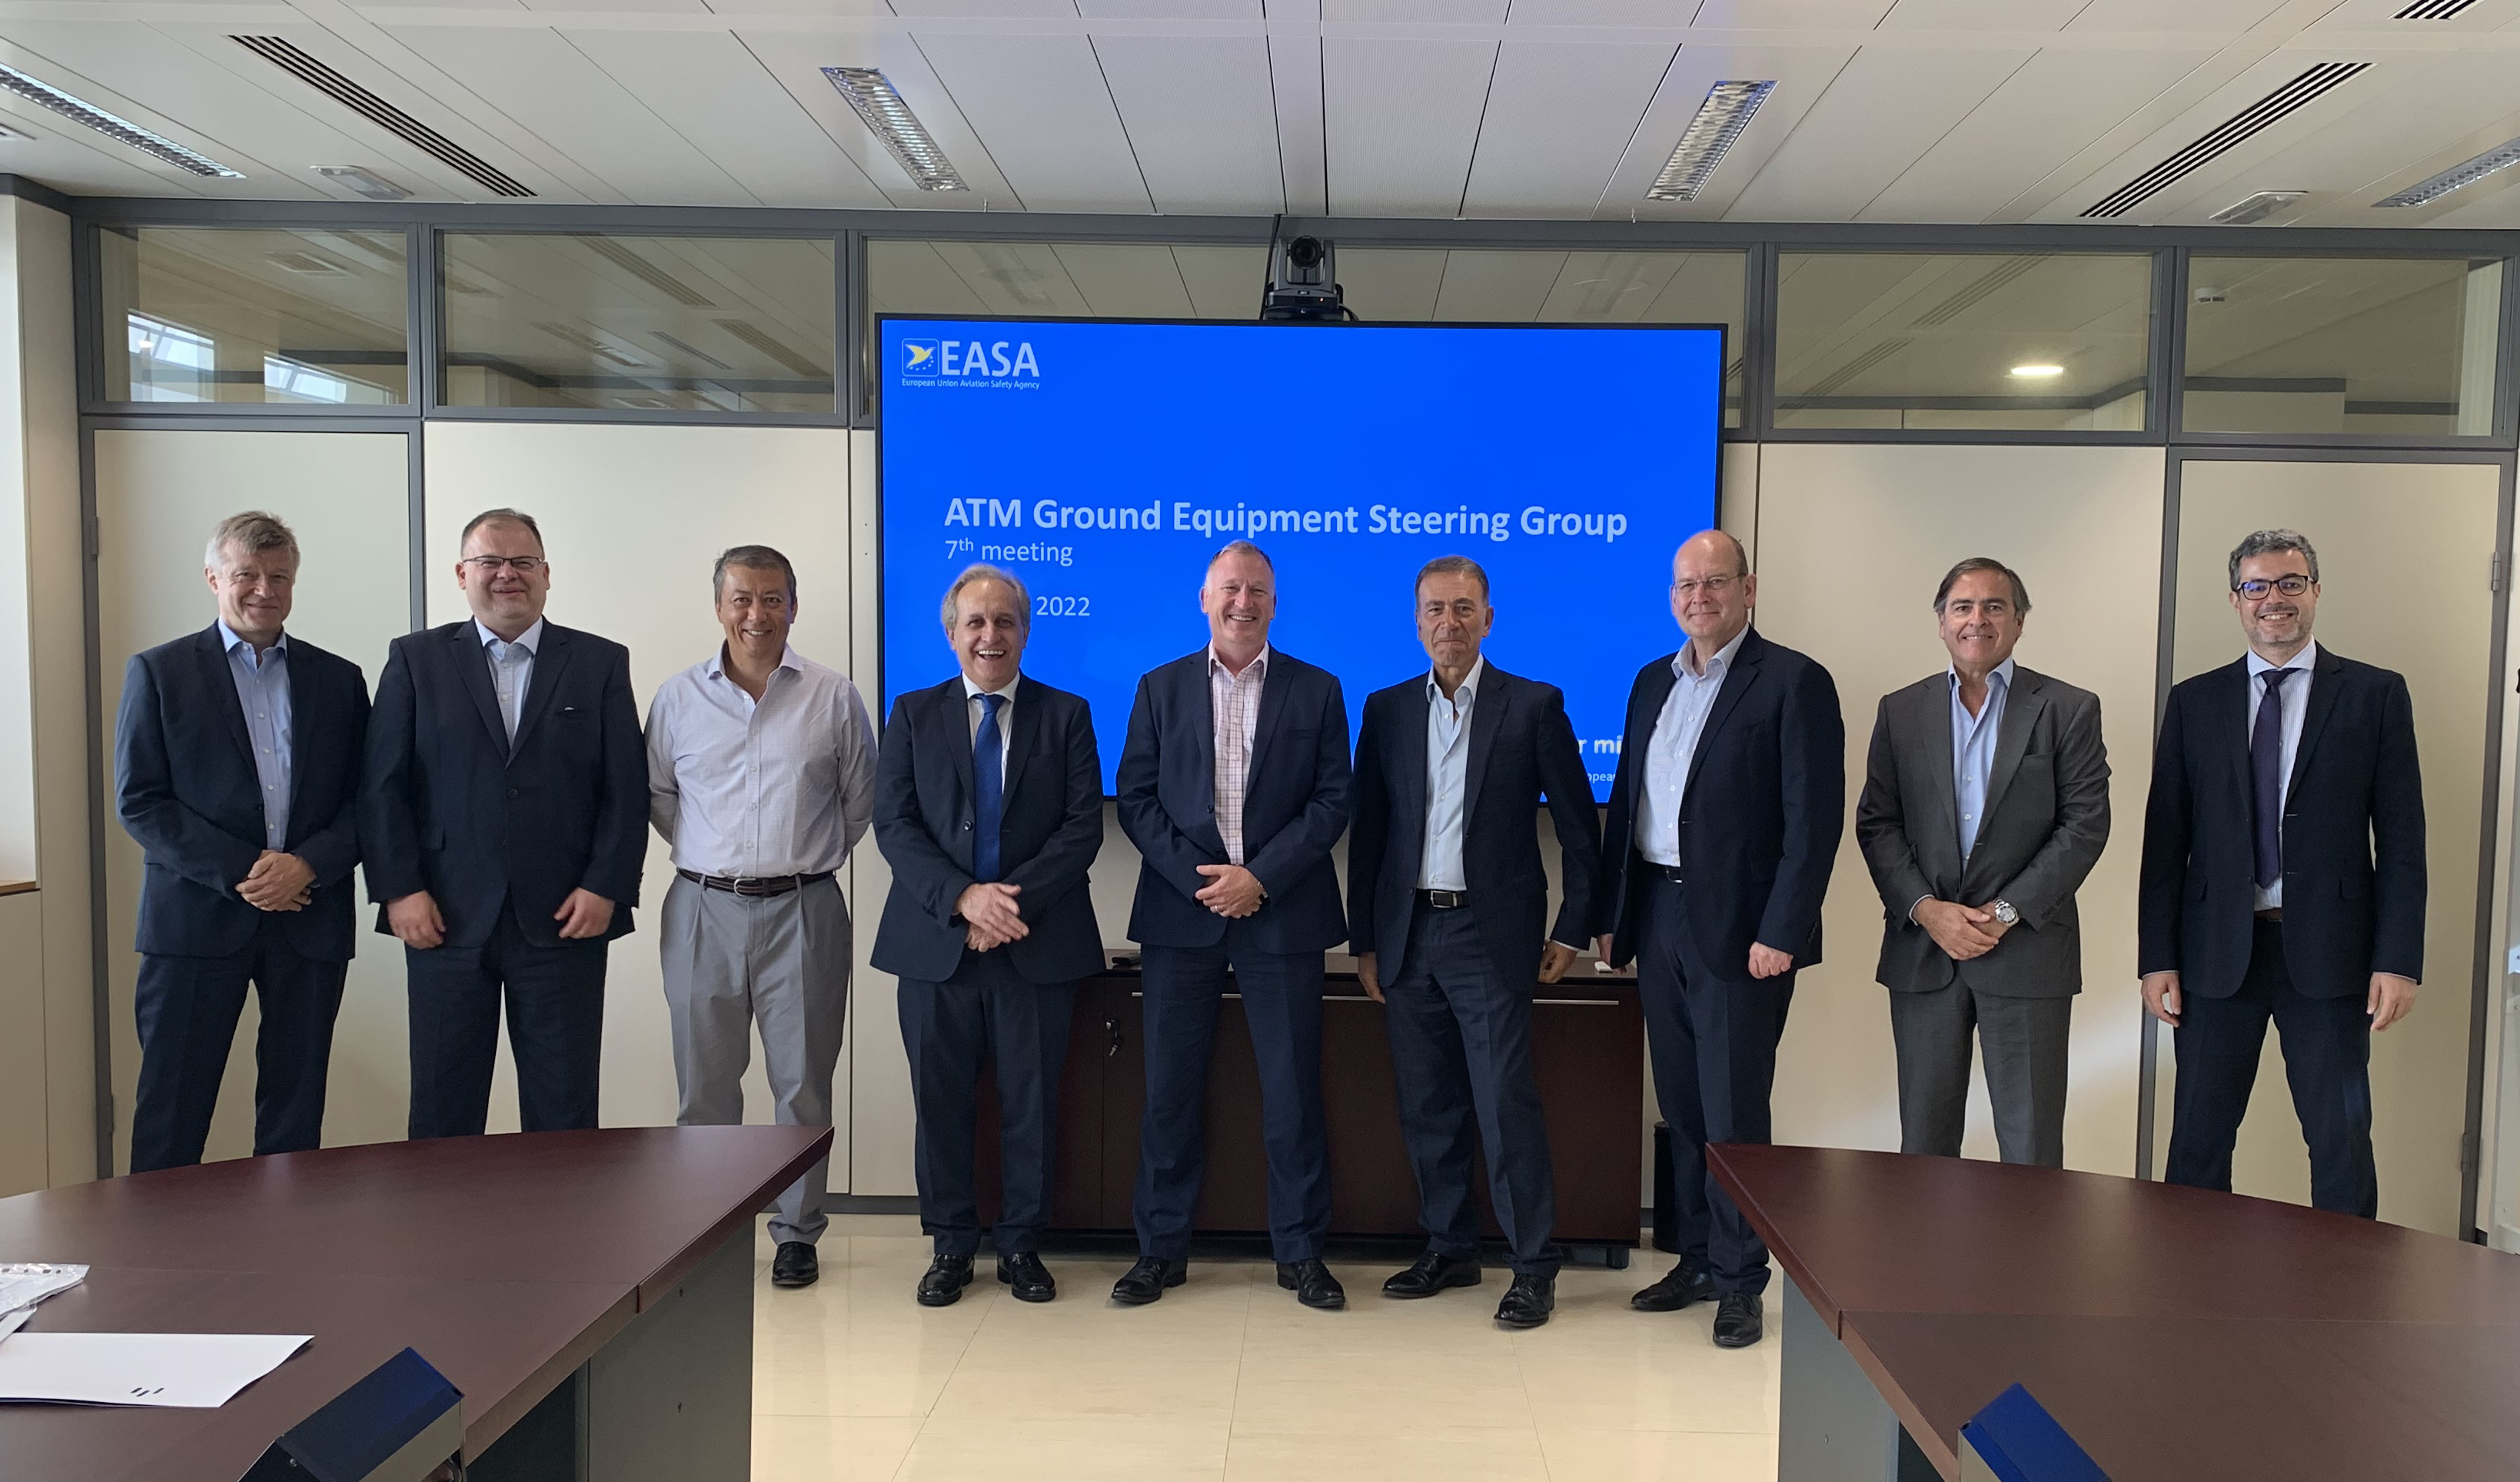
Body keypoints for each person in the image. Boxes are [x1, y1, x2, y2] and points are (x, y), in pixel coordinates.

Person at [1597, 529, 1842, 1350]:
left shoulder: (1793, 681)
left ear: (1748, 588)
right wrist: (1614, 915)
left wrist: (1781, 930)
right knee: (1682, 1103)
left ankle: (1741, 1279)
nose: (1698, 597)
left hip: (1743, 933)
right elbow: (1629, 801)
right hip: (1657, 911)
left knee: (1734, 1108)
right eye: (1685, 585)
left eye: (1714, 582)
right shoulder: (1650, 681)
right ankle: (1695, 1258)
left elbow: (1812, 822)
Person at [2139, 529, 2424, 1218]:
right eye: (2257, 586)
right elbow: (2166, 841)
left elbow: (2403, 840)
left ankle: (2347, 1279)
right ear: (2236, 600)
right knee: (2198, 1142)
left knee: (2341, 1140)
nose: (2274, 599)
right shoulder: (2194, 701)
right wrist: (2157, 958)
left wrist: (2397, 961)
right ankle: (2189, 1274)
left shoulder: (2376, 695)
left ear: (2315, 591)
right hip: (2215, 956)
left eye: (2291, 583)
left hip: (2332, 954)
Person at [1348, 555, 1601, 1330]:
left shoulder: (1534, 705)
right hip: (1407, 933)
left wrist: (1572, 926)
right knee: (1427, 1104)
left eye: (1463, 609)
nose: (1448, 623)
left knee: (1503, 1103)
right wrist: (1365, 942)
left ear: (1488, 618)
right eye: (1434, 609)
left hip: (1489, 936)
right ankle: (1450, 1246)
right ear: (1416, 620)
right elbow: (1370, 834)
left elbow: (1578, 829)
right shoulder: (1387, 708)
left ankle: (1532, 1266)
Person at [1112, 540, 1352, 1310]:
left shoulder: (1318, 690)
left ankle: (1301, 1253)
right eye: (1229, 589)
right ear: (1204, 598)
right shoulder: (1158, 686)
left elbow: (1332, 800)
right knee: (1168, 1093)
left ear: (1274, 603)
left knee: (1292, 1093)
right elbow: (1136, 798)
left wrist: (1259, 878)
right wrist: (1207, 883)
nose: (1242, 602)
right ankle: (1159, 1251)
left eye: (1256, 591)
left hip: (1282, 913)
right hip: (1181, 916)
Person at [360, 507, 647, 1139]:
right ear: (462, 574)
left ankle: (560, 1213)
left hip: (566, 918)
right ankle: (445, 1213)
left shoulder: (599, 662)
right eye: (490, 561)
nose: (507, 574)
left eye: (522, 562)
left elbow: (626, 789)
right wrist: (399, 889)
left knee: (564, 1113)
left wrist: (605, 885)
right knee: (443, 1111)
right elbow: (382, 787)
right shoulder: (415, 659)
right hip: (442, 918)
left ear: (547, 574)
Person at [873, 564, 1104, 1307]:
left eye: (1005, 621)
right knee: (940, 1104)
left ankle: (1021, 1245)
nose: (990, 635)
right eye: (975, 622)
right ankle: (950, 1245)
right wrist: (963, 900)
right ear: (951, 634)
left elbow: (1081, 829)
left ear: (1025, 632)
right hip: (935, 944)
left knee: (1031, 1103)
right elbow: (894, 825)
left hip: (1037, 943)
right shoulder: (912, 714)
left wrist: (1004, 909)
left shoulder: (1067, 714)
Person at [114, 512, 371, 1172]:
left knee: (295, 1111)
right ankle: (157, 1238)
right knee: (172, 1108)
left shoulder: (339, 680)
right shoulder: (160, 672)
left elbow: (369, 800)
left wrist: (306, 866)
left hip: (309, 918)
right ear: (213, 578)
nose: (264, 590)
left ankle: (284, 1237)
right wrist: (249, 869)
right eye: (247, 575)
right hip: (193, 922)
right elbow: (140, 801)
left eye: (279, 577)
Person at [647, 545, 873, 1291]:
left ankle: (797, 1233)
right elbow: (661, 797)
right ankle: (707, 1234)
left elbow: (858, 802)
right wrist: (719, 861)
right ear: (719, 607)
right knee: (704, 1088)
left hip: (804, 905)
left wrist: (794, 860)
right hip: (701, 907)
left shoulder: (832, 696)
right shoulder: (678, 698)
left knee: (802, 1085)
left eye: (772, 599)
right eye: (741, 599)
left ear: (793, 607)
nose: (756, 614)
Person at [1854, 557, 2109, 1168]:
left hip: (2027, 953)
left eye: (1995, 606)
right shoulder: (1901, 710)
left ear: (2019, 621)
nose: (1978, 619)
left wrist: (2005, 912)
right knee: (1924, 1147)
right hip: (1924, 953)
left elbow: (2084, 826)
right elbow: (1878, 823)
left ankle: (2026, 1244)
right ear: (1941, 622)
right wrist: (1927, 910)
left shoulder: (2067, 708)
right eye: (1963, 607)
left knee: (2030, 1149)